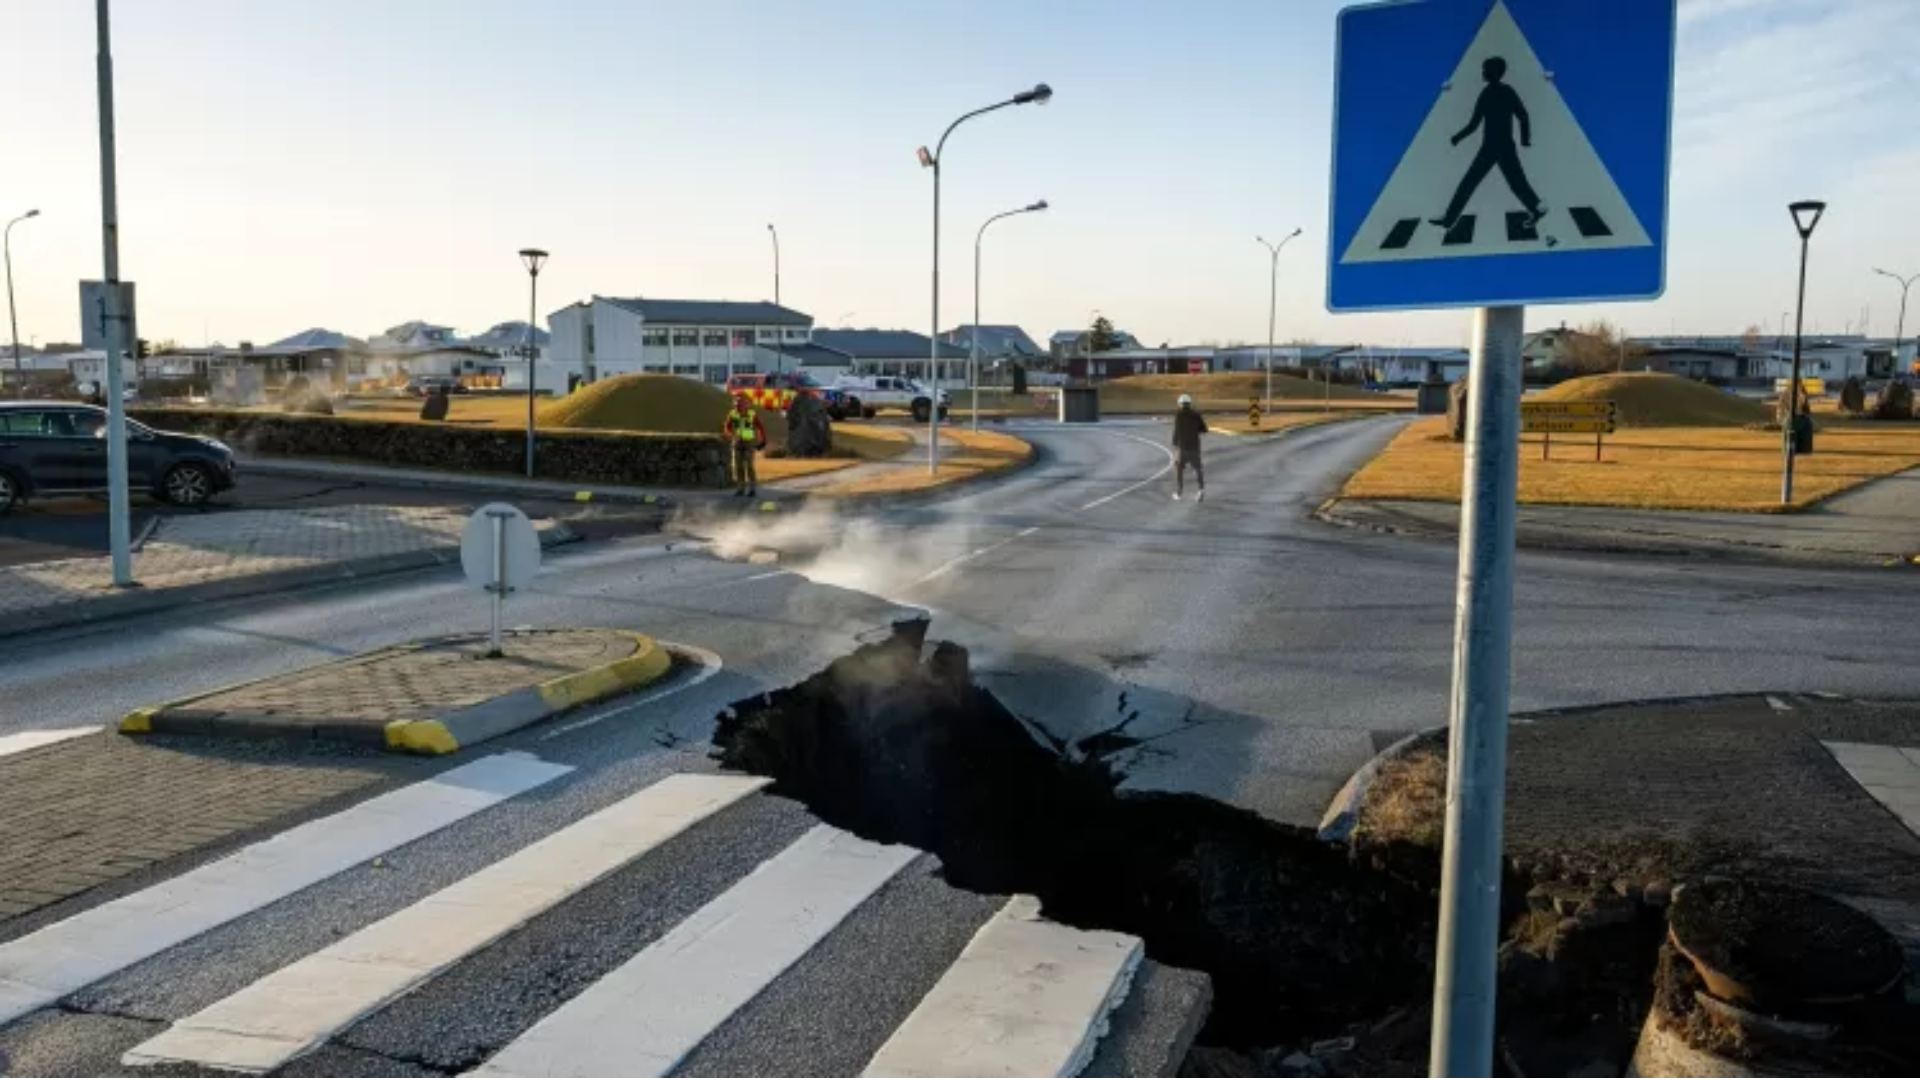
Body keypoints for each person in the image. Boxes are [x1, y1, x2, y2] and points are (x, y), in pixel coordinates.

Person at [1431, 55, 1546, 232]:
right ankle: (1537, 208)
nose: (1483, 73)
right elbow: (1519, 116)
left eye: (1486, 70)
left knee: (1472, 182)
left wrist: (1525, 140)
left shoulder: (1493, 93)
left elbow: (1477, 124)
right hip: (1499, 146)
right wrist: (1458, 137)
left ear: (1494, 73)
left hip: (1495, 147)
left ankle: (1449, 220)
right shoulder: (1500, 92)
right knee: (1513, 183)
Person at [722, 392, 768, 496]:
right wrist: (732, 435)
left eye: (740, 402)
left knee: (749, 465)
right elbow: (726, 427)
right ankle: (740, 488)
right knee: (738, 466)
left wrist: (763, 440)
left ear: (746, 403)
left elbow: (760, 427)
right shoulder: (732, 414)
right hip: (737, 442)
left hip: (749, 442)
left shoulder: (752, 414)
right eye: (736, 403)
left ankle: (752, 488)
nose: (738, 404)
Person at [1172, 393, 1208, 501]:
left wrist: (1174, 443)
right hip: (1194, 447)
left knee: (1179, 469)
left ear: (1180, 404)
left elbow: (1177, 430)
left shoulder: (1178, 415)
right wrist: (1195, 429)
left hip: (1182, 448)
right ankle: (1200, 490)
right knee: (1198, 469)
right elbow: (1204, 429)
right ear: (1190, 403)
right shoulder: (1196, 414)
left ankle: (1179, 492)